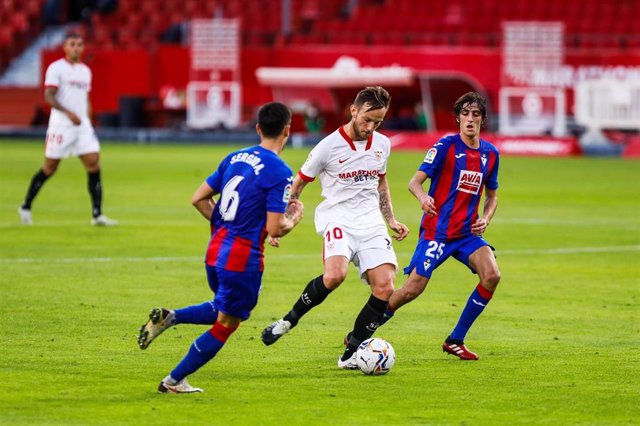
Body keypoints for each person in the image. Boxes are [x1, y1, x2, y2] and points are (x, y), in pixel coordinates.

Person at [137, 102, 303, 393]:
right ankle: (173, 381)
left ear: (258, 128)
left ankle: (171, 317)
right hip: (242, 259)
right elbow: (276, 227)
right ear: (287, 131)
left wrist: (226, 227)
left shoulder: (234, 157)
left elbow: (198, 198)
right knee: (227, 323)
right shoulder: (280, 171)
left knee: (222, 307)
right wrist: (294, 219)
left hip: (214, 252)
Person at [260, 86, 409, 369]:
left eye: (378, 122)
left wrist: (390, 219)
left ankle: (350, 355)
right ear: (353, 110)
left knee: (385, 287)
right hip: (337, 218)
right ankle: (288, 320)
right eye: (367, 119)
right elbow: (297, 186)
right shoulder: (327, 147)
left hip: (370, 222)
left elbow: (380, 182)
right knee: (334, 275)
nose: (371, 127)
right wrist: (279, 223)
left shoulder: (382, 144)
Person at [377, 91, 501, 360]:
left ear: (482, 119)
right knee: (411, 290)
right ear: (457, 118)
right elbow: (414, 183)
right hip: (438, 232)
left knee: (492, 275)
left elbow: (492, 196)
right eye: (465, 114)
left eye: (476, 114)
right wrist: (423, 198)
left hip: (467, 233)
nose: (470, 119)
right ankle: (364, 329)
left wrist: (486, 218)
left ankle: (455, 339)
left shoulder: (491, 155)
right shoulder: (446, 146)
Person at [18, 33, 117, 226]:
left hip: (82, 127)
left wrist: (88, 119)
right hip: (61, 125)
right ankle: (26, 205)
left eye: (80, 44)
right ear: (65, 47)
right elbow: (49, 95)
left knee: (94, 163)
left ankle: (97, 214)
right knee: (50, 168)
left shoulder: (85, 71)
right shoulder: (56, 68)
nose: (76, 48)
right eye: (72, 44)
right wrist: (68, 112)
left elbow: (85, 98)